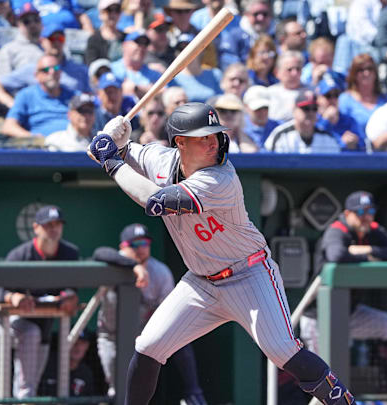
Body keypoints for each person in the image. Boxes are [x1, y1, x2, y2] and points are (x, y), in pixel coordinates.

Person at [86, 103, 357, 405]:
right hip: (201, 283)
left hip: (249, 275)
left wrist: (110, 160)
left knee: (284, 351)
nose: (213, 141)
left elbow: (154, 201)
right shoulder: (158, 158)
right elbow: (119, 153)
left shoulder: (221, 178)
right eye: (203, 137)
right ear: (180, 142)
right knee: (149, 346)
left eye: (215, 134)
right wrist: (114, 142)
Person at [300, 191, 387, 386]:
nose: (366, 217)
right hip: (319, 317)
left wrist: (369, 251)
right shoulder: (337, 230)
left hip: (349, 314)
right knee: (326, 380)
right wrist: (369, 258)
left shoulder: (372, 231)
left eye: (370, 211)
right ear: (348, 213)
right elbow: (336, 255)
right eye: (360, 212)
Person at [95, 223, 209, 405]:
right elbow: (100, 253)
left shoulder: (160, 272)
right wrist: (134, 266)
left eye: (144, 243)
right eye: (134, 244)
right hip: (112, 336)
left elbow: (171, 315)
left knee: (179, 339)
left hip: (142, 333)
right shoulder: (112, 263)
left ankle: (193, 393)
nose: (141, 248)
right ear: (122, 247)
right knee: (118, 388)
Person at [0, 205, 80, 399]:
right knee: (31, 337)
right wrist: (15, 297)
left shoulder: (69, 253)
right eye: (48, 224)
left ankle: (24, 398)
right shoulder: (19, 255)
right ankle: (24, 399)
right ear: (36, 228)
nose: (54, 228)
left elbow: (73, 287)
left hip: (44, 324)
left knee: (33, 379)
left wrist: (69, 295)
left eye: (57, 224)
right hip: (10, 323)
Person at [2, 55, 75, 138]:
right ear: (37, 75)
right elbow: (8, 127)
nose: (52, 72)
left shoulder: (74, 96)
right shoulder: (26, 95)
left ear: (60, 72)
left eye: (56, 68)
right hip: (42, 147)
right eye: (46, 70)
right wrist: (32, 137)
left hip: (73, 144)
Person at [265, 89, 342, 154]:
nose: (311, 113)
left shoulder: (327, 138)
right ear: (294, 110)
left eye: (314, 109)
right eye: (306, 109)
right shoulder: (281, 135)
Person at [338, 54, 387, 139]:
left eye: (370, 69)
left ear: (375, 72)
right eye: (361, 70)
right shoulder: (345, 100)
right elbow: (341, 129)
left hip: (383, 151)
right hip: (356, 150)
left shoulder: (386, 100)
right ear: (354, 74)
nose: (366, 73)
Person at [315, 71, 364, 151]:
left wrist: (355, 144)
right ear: (318, 99)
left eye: (336, 95)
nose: (333, 100)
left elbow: (363, 146)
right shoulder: (314, 120)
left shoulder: (349, 121)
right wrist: (325, 121)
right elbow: (315, 145)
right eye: (328, 96)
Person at [0, 3, 44, 82]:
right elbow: (1, 83)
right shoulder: (9, 50)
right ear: (18, 24)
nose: (32, 24)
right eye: (26, 21)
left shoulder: (49, 46)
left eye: (36, 20)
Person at [38, 329, 96, 398]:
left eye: (82, 343)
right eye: (74, 341)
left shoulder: (86, 373)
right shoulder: (46, 365)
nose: (78, 346)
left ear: (87, 346)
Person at [169, 33, 222, 103]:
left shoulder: (215, 74)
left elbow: (222, 100)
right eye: (181, 49)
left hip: (211, 113)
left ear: (201, 50)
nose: (186, 53)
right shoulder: (173, 78)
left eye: (191, 49)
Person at [111, 30, 161, 99]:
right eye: (138, 42)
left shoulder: (153, 72)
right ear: (124, 45)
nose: (141, 47)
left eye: (145, 44)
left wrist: (137, 88)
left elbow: (165, 92)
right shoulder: (112, 69)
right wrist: (149, 88)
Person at [266, 51, 309, 122]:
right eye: (289, 69)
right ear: (277, 72)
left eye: (298, 69)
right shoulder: (269, 93)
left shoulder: (312, 92)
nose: (295, 73)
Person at [10, 0, 94, 34]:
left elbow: (82, 17)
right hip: (40, 40)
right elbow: (16, 21)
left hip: (72, 38)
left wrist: (91, 38)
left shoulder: (69, 1)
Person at [84, 0, 124, 66]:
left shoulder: (126, 38)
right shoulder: (94, 39)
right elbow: (92, 65)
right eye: (109, 10)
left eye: (117, 10)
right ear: (100, 14)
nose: (113, 14)